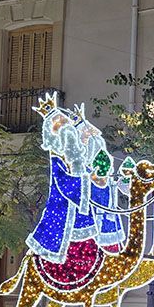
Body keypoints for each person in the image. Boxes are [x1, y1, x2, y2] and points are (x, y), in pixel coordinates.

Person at [26, 92, 127, 263]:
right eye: (58, 125)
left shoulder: (79, 157)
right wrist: (90, 181)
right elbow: (64, 183)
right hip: (64, 210)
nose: (65, 127)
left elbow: (88, 174)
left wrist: (102, 181)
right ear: (52, 132)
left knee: (93, 236)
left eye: (64, 122)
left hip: (82, 208)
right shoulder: (58, 156)